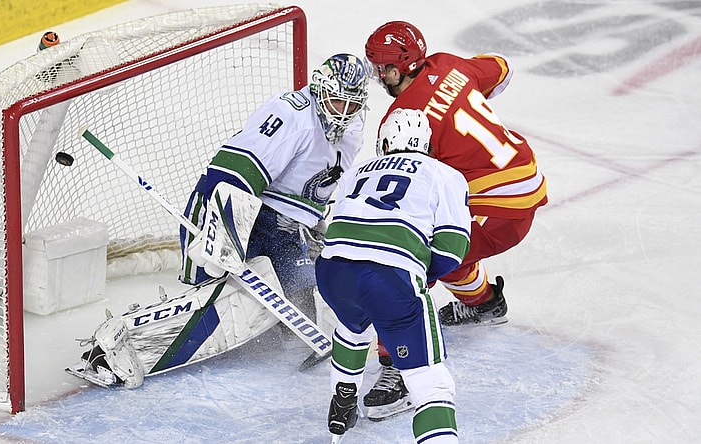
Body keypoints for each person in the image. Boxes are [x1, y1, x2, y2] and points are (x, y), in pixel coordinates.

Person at [361, 21, 549, 419]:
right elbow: (502, 68)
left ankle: (397, 366)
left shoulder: (403, 117)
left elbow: (407, 192)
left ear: (406, 65)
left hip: (495, 201)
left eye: (385, 69)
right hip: (524, 180)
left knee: (409, 262)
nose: (380, 77)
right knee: (453, 254)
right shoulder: (449, 63)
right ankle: (484, 304)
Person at [316, 108, 471, 443]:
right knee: (432, 383)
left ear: (385, 141)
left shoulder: (358, 170)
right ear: (426, 145)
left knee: (353, 321)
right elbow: (452, 249)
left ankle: (343, 398)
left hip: (332, 270)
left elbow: (338, 228)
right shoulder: (444, 173)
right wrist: (417, 275)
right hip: (389, 276)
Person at [179, 53, 371, 323]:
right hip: (235, 208)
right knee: (211, 298)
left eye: (352, 105)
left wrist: (313, 219)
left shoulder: (353, 128)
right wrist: (219, 231)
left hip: (287, 229)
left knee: (300, 313)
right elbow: (233, 172)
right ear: (320, 87)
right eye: (337, 100)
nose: (343, 112)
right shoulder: (291, 114)